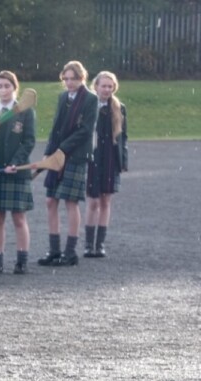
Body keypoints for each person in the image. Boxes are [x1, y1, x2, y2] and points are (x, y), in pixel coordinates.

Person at [38, 60, 99, 267]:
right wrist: (48, 153)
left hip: (75, 156)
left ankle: (70, 252)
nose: (69, 82)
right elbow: (56, 127)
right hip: (57, 154)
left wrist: (62, 149)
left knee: (70, 202)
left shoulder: (90, 99)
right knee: (50, 201)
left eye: (74, 79)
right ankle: (54, 250)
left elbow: (86, 131)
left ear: (82, 78)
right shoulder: (63, 97)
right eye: (66, 79)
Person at [0, 70, 36, 274]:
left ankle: (22, 261)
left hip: (17, 173)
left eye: (7, 86)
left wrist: (15, 163)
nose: (4, 90)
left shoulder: (25, 111)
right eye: (0, 86)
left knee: (19, 218)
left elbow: (29, 141)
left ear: (15, 88)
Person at [84, 71, 127, 259]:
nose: (107, 89)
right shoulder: (88, 106)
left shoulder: (119, 108)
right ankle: (88, 244)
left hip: (110, 158)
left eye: (110, 86)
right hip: (93, 157)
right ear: (96, 86)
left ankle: (100, 244)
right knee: (93, 201)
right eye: (104, 86)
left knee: (105, 201)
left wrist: (123, 161)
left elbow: (123, 137)